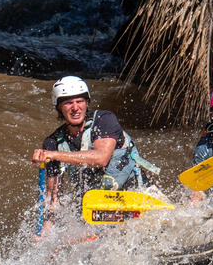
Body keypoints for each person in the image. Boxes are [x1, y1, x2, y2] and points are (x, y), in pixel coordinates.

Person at [31, 76, 157, 211]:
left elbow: (101, 158)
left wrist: (55, 155)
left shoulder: (104, 120)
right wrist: (44, 231)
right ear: (59, 107)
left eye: (80, 101)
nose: (75, 108)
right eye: (68, 103)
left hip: (137, 195)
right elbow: (53, 201)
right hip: (96, 208)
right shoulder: (52, 143)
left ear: (86, 103)